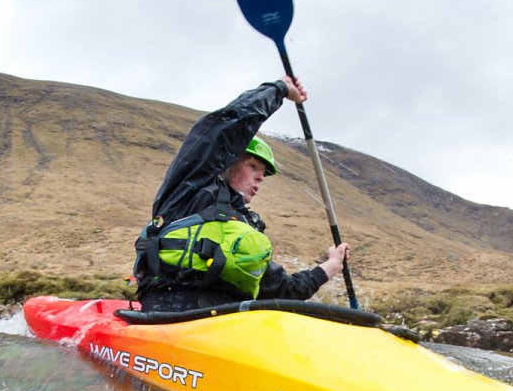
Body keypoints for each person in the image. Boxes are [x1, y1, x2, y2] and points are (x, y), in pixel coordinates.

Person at [133, 77, 350, 312]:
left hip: (225, 327)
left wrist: (331, 265)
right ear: (227, 163)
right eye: (253, 167)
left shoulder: (245, 229)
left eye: (263, 174)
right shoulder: (188, 191)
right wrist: (278, 90)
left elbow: (284, 290)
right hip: (166, 314)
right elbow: (227, 126)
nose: (260, 177)